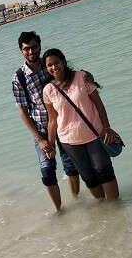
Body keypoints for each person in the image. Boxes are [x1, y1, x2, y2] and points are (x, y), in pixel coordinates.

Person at [42, 48, 122, 201]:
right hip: (69, 142)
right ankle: (106, 211)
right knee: (89, 178)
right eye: (49, 65)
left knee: (103, 170)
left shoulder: (81, 77)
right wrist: (51, 144)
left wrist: (106, 127)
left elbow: (99, 104)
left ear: (64, 62)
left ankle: (116, 209)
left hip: (94, 135)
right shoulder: (48, 90)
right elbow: (53, 120)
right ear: (46, 68)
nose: (54, 67)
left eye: (56, 62)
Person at [12, 31, 80, 212]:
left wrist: (86, 74)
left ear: (39, 46)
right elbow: (23, 112)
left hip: (64, 123)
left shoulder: (50, 64)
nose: (31, 51)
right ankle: (59, 210)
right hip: (41, 129)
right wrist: (40, 140)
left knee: (71, 166)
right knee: (47, 171)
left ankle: (78, 202)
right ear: (21, 51)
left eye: (34, 47)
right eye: (26, 49)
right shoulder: (19, 77)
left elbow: (71, 76)